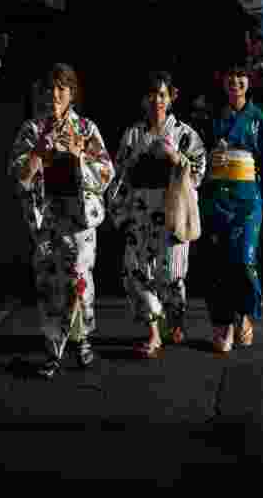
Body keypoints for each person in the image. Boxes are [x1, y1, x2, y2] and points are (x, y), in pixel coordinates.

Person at [9, 63, 114, 379]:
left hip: (79, 217)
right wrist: (38, 154)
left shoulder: (85, 128)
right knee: (49, 282)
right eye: (51, 88)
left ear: (72, 94)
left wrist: (80, 156)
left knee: (78, 279)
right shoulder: (32, 129)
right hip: (48, 216)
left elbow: (107, 173)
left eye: (62, 89)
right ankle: (54, 347)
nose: (55, 95)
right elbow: (17, 174)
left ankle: (80, 339)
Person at [108, 71, 207, 358]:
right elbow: (120, 176)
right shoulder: (133, 134)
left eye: (162, 95)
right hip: (140, 208)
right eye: (151, 95)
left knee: (172, 274)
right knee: (134, 270)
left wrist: (178, 159)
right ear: (143, 100)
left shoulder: (185, 134)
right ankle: (153, 330)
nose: (157, 101)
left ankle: (175, 317)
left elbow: (199, 170)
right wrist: (120, 213)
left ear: (171, 97)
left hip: (172, 207)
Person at [200, 53, 263, 353]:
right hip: (217, 198)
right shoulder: (212, 118)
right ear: (223, 83)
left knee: (244, 258)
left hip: (249, 200)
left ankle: (244, 316)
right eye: (230, 77)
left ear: (248, 82)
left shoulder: (260, 120)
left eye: (240, 77)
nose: (235, 82)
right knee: (218, 263)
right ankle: (222, 324)